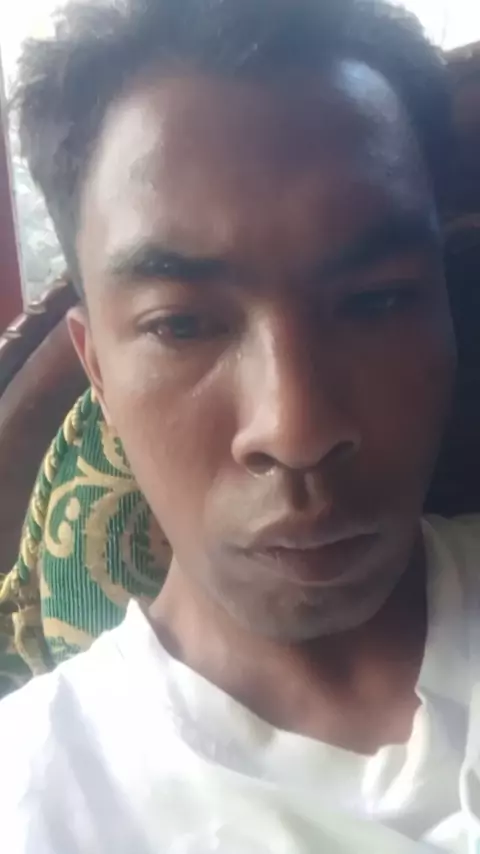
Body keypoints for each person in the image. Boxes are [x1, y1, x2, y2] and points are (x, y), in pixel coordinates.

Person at [1, 0, 479, 850]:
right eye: (182, 324)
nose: (296, 429)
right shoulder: (32, 798)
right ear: (97, 368)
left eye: (377, 301)